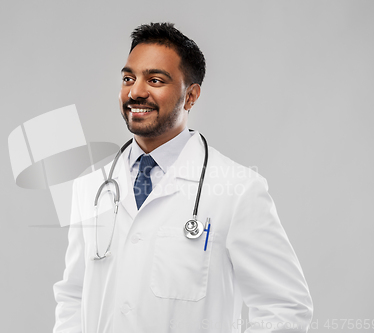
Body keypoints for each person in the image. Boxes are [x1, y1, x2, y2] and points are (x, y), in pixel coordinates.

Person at [53, 22, 313, 333]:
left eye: (155, 80)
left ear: (190, 96)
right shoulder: (91, 188)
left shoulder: (238, 190)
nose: (136, 91)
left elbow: (286, 309)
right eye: (128, 78)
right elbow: (74, 297)